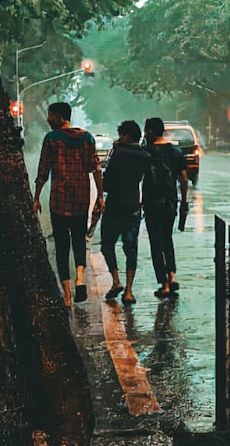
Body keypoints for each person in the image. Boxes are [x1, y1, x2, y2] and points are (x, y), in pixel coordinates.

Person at [33, 101, 102, 306]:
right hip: (81, 199)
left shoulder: (52, 140)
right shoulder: (87, 138)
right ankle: (80, 279)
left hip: (59, 201)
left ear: (60, 117)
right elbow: (95, 169)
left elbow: (43, 172)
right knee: (79, 241)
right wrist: (100, 195)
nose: (48, 119)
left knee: (62, 246)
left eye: (51, 115)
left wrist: (36, 198)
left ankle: (67, 296)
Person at [99, 120, 151, 304]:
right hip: (133, 205)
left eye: (121, 135)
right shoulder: (145, 156)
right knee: (131, 248)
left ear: (127, 136)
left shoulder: (118, 153)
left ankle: (116, 280)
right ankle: (129, 291)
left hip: (115, 204)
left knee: (107, 244)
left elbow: (108, 181)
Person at [142, 117, 189, 299]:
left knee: (155, 241)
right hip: (171, 202)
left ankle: (164, 284)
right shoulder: (176, 152)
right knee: (167, 238)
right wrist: (183, 202)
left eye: (146, 131)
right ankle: (172, 275)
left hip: (152, 203)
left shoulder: (146, 152)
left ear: (151, 132)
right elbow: (184, 178)